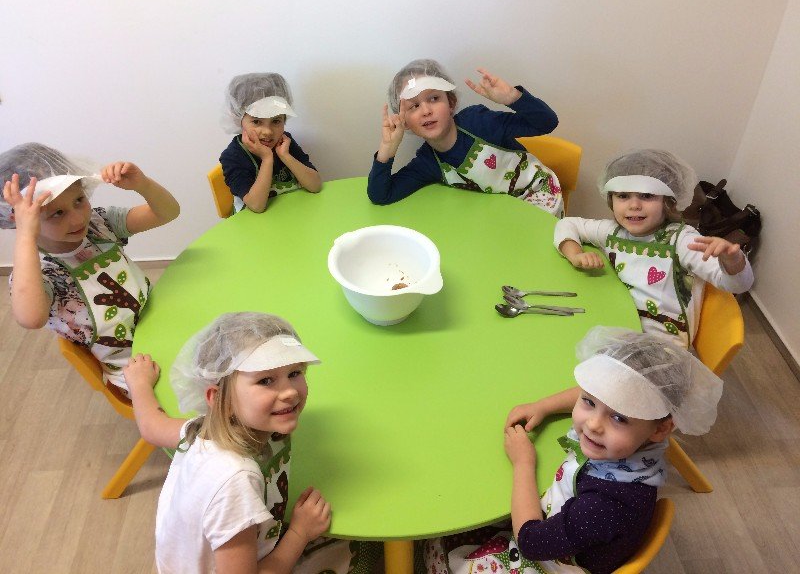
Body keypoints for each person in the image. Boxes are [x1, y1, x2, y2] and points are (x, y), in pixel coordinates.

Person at [423, 326, 723, 574]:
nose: (593, 424)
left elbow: (531, 542)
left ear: (661, 428)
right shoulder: (641, 440)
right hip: (565, 527)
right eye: (589, 402)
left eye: (619, 418)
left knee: (436, 547)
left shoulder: (604, 505)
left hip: (552, 561)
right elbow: (595, 392)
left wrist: (524, 463)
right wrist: (543, 405)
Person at [122, 312, 379, 573]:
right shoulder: (236, 483)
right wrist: (300, 533)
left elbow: (152, 427)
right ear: (218, 398)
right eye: (266, 380)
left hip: (195, 558)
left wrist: (139, 384)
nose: (290, 392)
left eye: (294, 372)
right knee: (366, 552)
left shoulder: (204, 428)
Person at [1, 142, 180, 393]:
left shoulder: (99, 224)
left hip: (165, 323)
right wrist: (25, 236)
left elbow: (168, 213)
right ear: (19, 221)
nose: (77, 219)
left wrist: (143, 185)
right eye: (57, 213)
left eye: (79, 200)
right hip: (138, 368)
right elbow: (31, 318)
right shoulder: (39, 273)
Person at [554, 150, 753, 347]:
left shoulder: (682, 241)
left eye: (647, 195)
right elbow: (567, 224)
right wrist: (575, 254)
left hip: (660, 346)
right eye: (623, 195)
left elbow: (738, 285)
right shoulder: (612, 232)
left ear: (668, 202)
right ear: (611, 200)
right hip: (614, 324)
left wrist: (732, 261)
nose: (634, 205)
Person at [367, 59, 563, 216]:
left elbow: (547, 123)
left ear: (451, 103)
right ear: (405, 122)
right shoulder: (428, 162)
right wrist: (388, 148)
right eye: (414, 106)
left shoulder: (479, 122)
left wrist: (512, 97)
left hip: (539, 195)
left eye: (434, 98)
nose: (426, 110)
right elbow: (381, 195)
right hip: (500, 213)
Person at [219, 73, 322, 213]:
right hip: (254, 224)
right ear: (238, 119)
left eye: (276, 121)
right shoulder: (233, 156)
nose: (267, 131)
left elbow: (315, 186)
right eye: (256, 121)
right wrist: (267, 159)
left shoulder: (285, 143)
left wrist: (285, 156)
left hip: (291, 214)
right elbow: (256, 206)